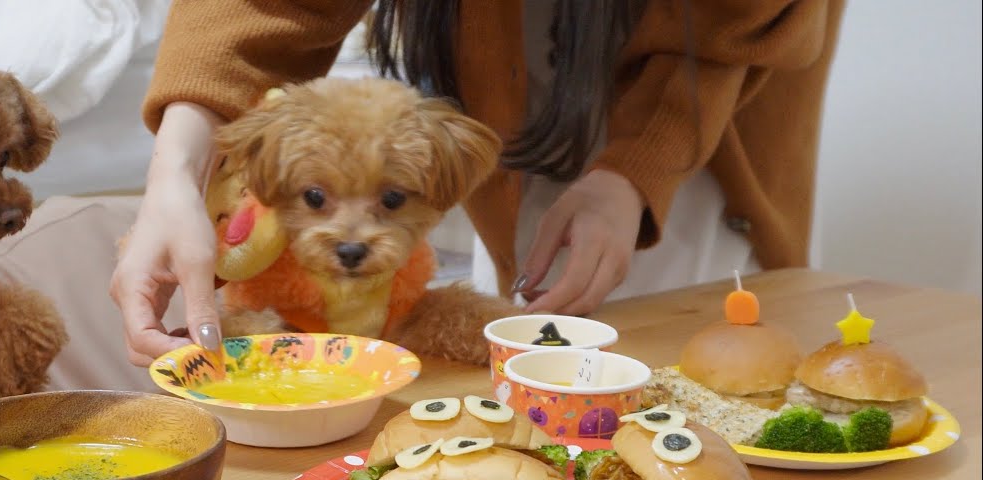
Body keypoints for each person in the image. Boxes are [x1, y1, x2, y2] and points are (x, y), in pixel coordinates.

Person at [112, 0, 844, 367]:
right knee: (541, 315)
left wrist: (636, 171)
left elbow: (735, 25)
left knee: (674, 348)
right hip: (515, 61)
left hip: (705, 70)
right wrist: (175, 166)